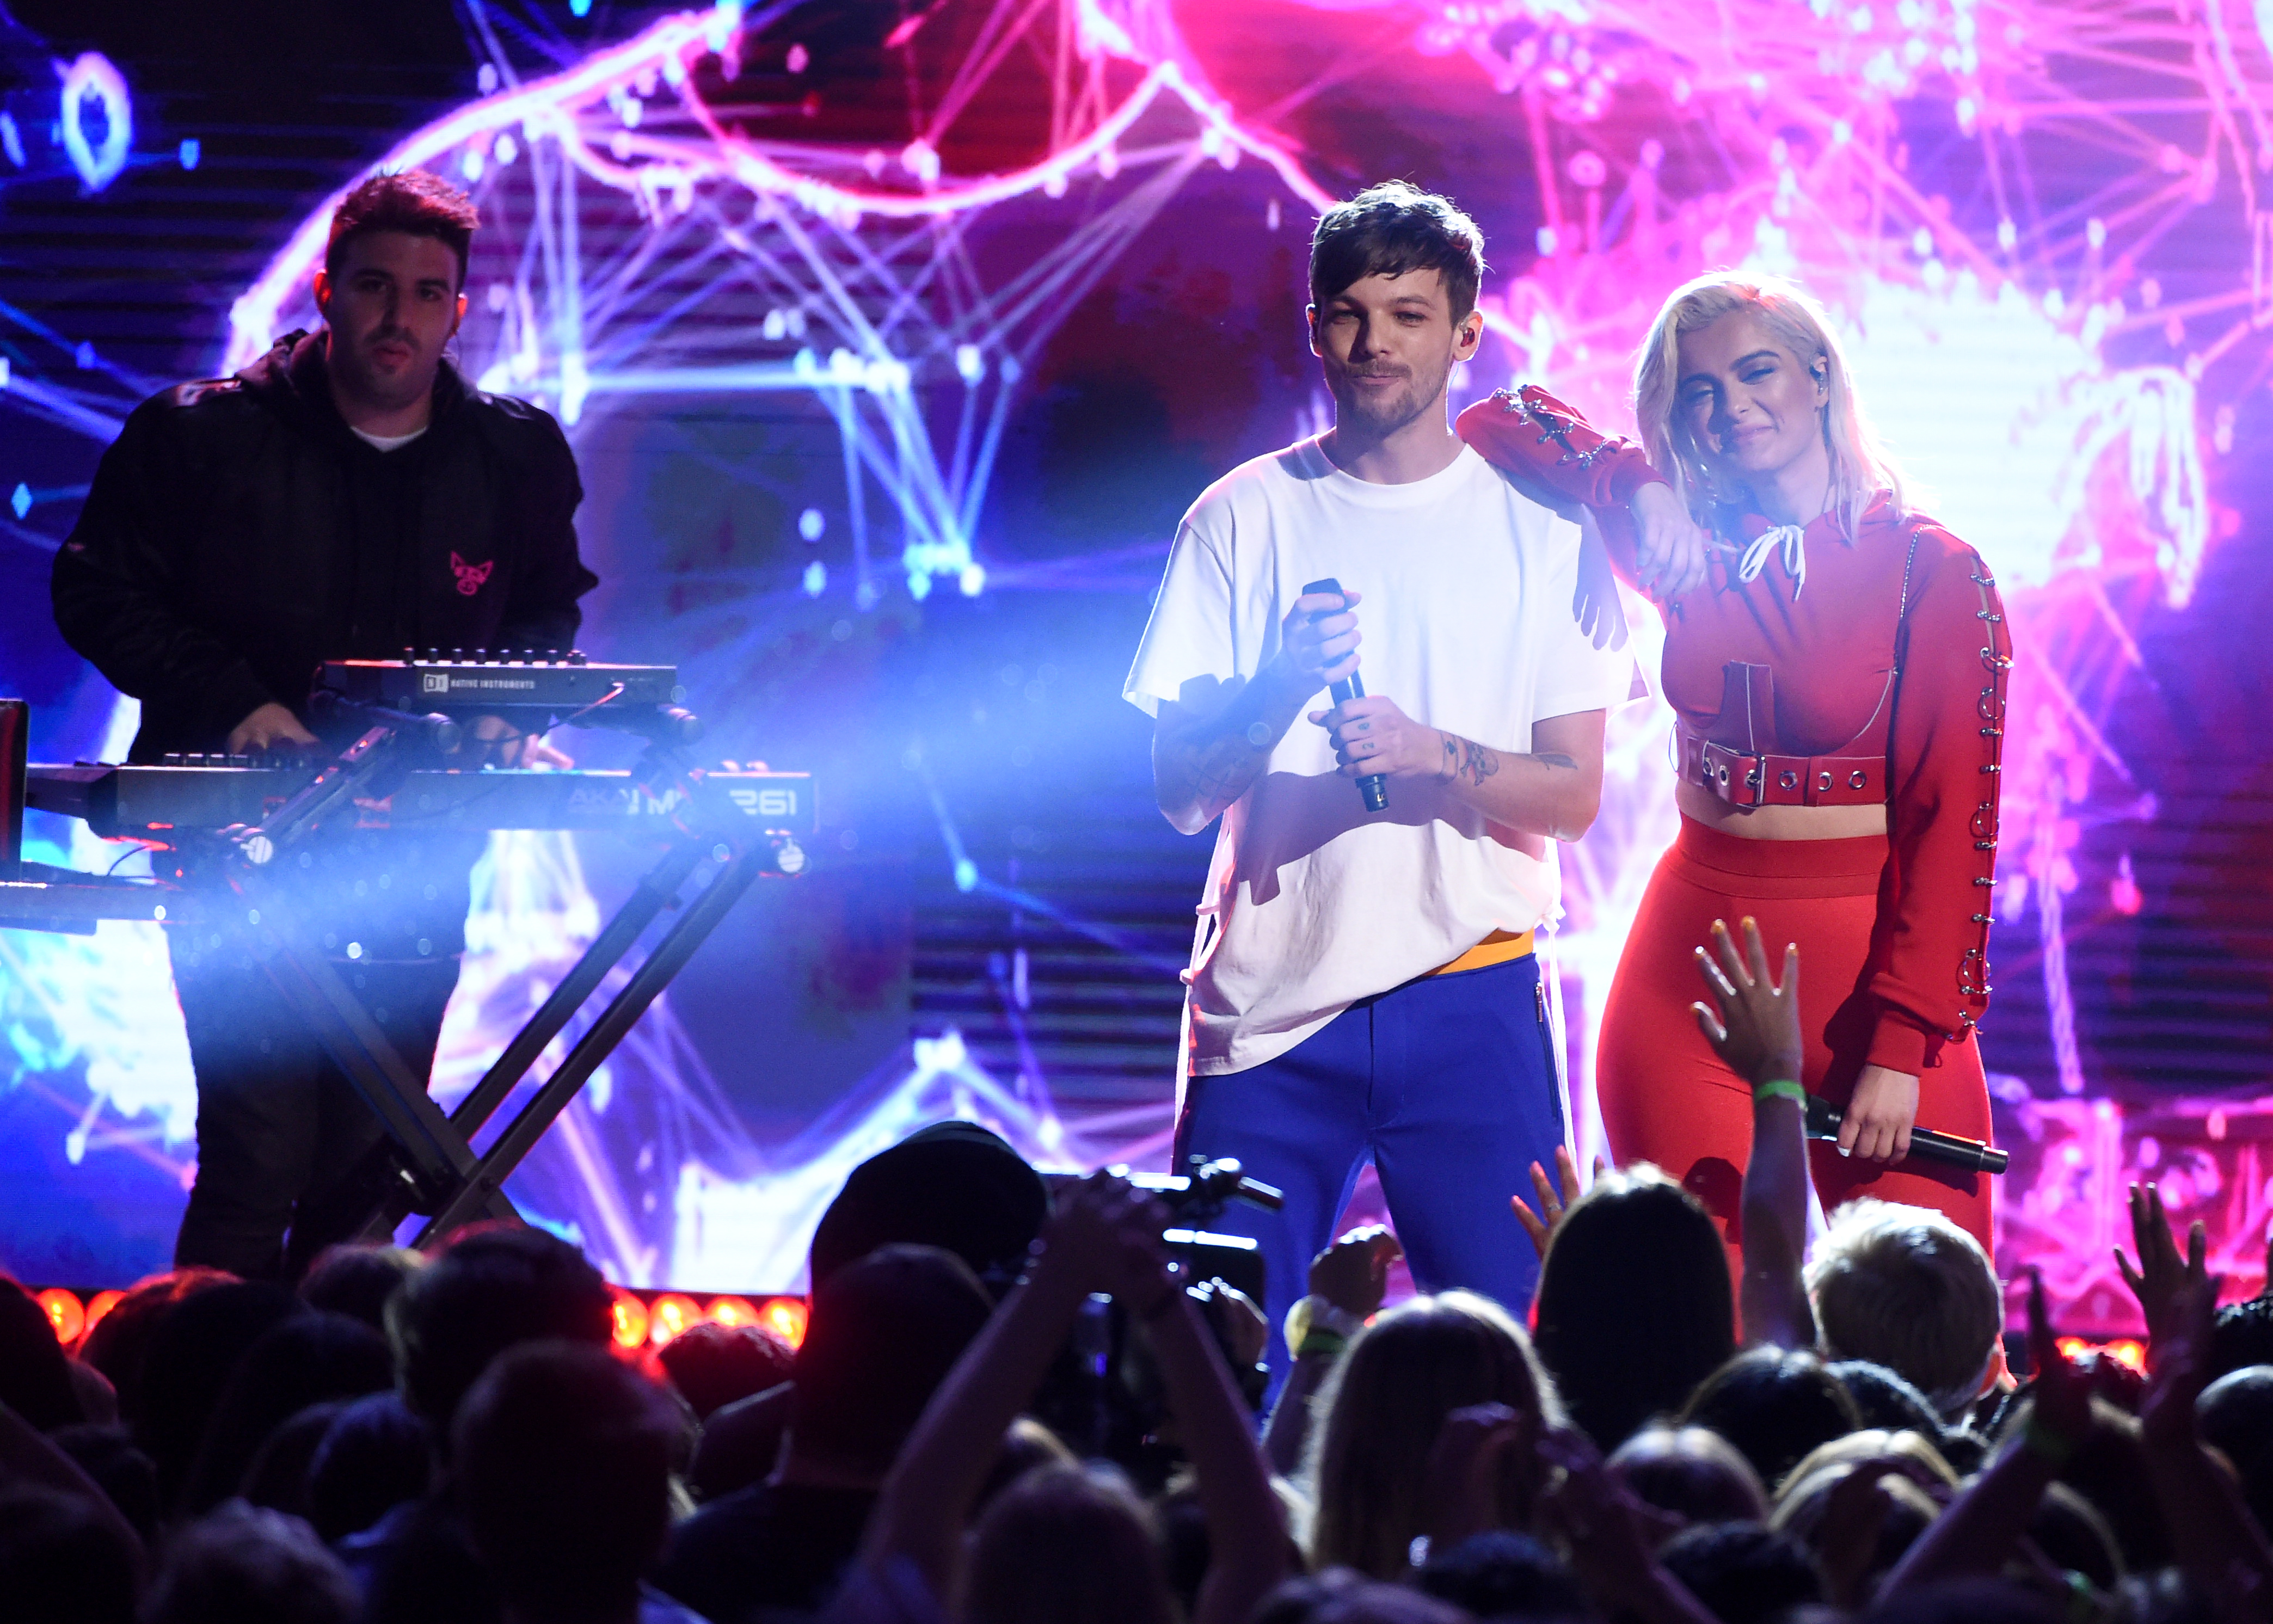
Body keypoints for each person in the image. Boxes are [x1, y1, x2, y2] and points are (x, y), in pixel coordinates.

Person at [1123, 181, 1641, 1376]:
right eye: (1350, 314)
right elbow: (1180, 794)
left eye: (1409, 314)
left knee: (1510, 1369)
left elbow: (1572, 794)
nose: (1374, 343)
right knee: (1213, 1365)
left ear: (1466, 332)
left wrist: (1433, 755)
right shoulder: (1240, 517)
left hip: (1472, 998)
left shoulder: (1545, 528)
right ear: (1314, 327)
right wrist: (1275, 685)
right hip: (1271, 1011)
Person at [51, 168, 598, 1281]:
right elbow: (98, 586)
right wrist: (234, 698)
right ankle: (204, 1423)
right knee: (259, 1153)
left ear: (458, 309)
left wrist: (503, 701)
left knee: (377, 1164)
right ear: (327, 289)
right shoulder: (201, 437)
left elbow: (549, 607)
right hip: (232, 847)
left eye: (428, 293)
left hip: (420, 849)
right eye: (374, 287)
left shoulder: (514, 455)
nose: (399, 318)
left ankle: (329, 1420)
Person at [1457, 272, 2011, 1259]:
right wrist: (1637, 483)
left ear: (1821, 376)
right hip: (1689, 976)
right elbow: (1500, 420)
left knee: (1917, 1339)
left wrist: (1900, 1045)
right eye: (1699, 391)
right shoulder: (1686, 539)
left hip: (1866, 994)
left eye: (1756, 372)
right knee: (1696, 1331)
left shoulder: (1935, 568)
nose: (1729, 406)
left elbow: (1953, 830)